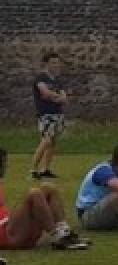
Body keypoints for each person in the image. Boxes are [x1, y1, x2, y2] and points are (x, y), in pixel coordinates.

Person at [0, 148, 89, 251]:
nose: (6, 166)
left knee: (48, 188)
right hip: (5, 235)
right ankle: (58, 238)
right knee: (34, 194)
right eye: (4, 162)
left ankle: (64, 232)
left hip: (11, 228)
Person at [31, 51, 68, 179]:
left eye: (57, 63)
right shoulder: (41, 78)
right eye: (53, 63)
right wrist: (56, 96)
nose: (56, 65)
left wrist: (56, 97)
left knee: (52, 142)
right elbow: (45, 93)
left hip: (57, 114)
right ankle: (33, 170)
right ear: (46, 64)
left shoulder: (57, 80)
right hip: (45, 114)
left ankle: (45, 169)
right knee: (46, 140)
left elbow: (64, 98)